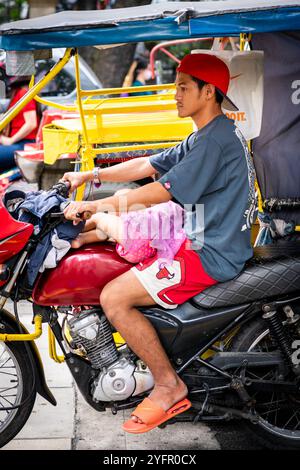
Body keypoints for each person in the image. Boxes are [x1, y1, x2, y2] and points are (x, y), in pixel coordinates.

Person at [62, 53, 256, 434]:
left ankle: (169, 384)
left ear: (209, 91)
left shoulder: (213, 141)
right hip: (206, 240)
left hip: (209, 254)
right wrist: (91, 174)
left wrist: (94, 205)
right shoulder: (208, 134)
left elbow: (162, 190)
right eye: (176, 86)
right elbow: (147, 165)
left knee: (114, 297)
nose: (176, 94)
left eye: (184, 87)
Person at [0, 70, 40, 172]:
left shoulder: (23, 92)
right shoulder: (19, 92)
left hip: (24, 144)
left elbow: (31, 123)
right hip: (20, 143)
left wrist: (11, 140)